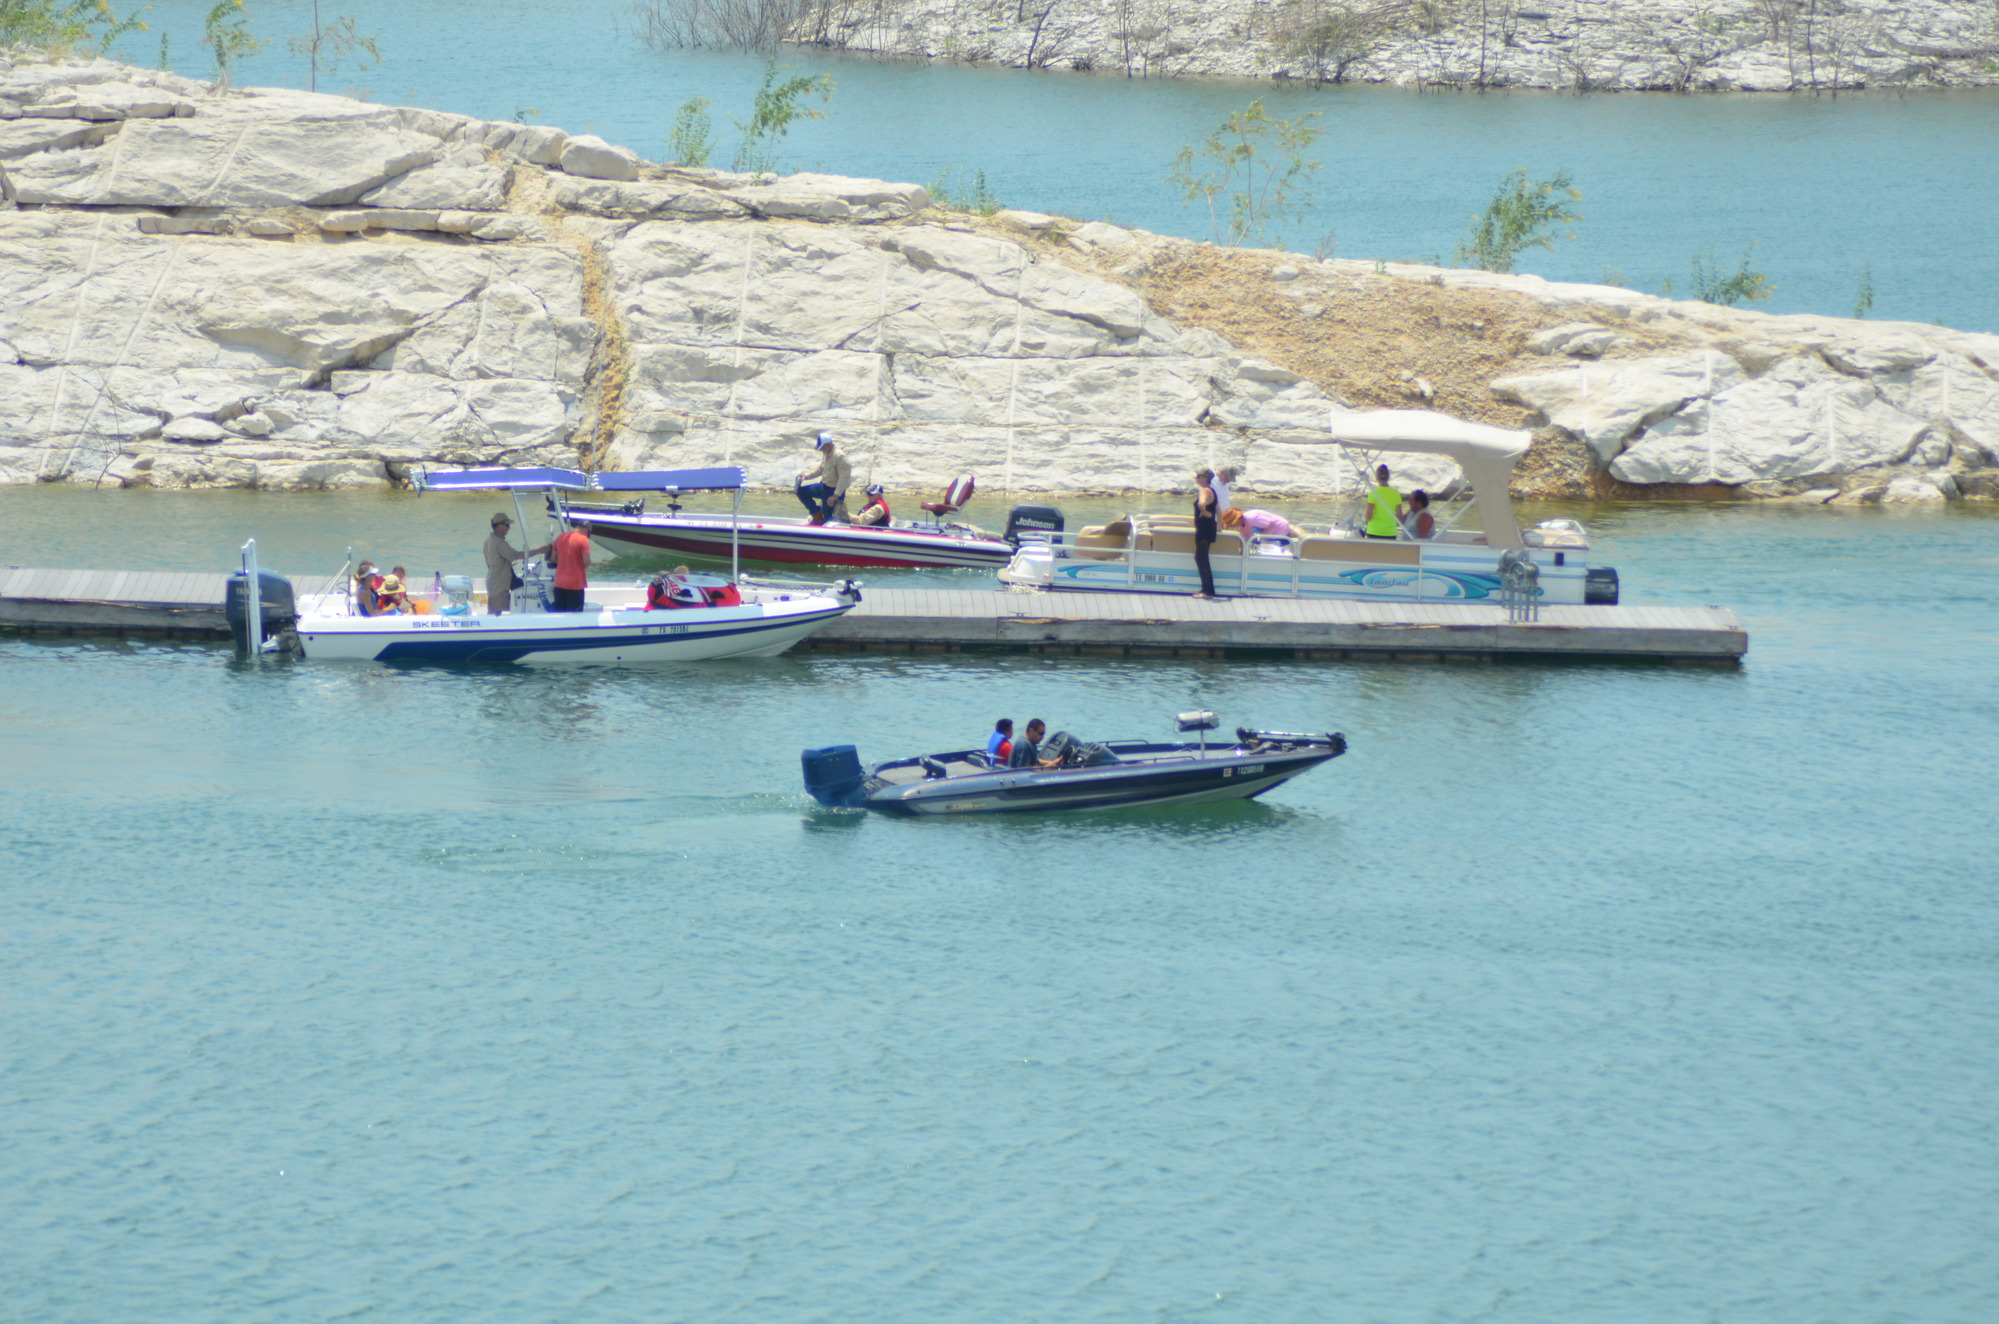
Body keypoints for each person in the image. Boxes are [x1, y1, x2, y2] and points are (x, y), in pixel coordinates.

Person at [482, 513, 550, 616]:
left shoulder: (488, 541)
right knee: (496, 614)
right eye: (507, 525)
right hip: (500, 584)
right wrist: (539, 550)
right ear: (499, 526)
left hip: (493, 581)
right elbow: (515, 556)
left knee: (494, 611)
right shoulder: (499, 543)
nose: (509, 528)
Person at [794, 432, 852, 526]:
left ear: (828, 444)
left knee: (828, 519)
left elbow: (844, 479)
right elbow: (821, 468)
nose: (821, 450)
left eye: (822, 447)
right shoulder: (827, 453)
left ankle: (826, 532)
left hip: (833, 491)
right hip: (824, 487)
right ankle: (817, 514)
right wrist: (807, 476)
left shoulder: (840, 457)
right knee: (801, 491)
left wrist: (835, 496)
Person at [1192, 467, 1220, 600]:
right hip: (1210, 527)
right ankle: (1208, 589)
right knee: (1202, 558)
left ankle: (1207, 591)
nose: (1195, 478)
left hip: (1204, 528)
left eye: (1198, 476)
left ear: (1205, 478)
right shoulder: (1212, 491)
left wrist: (1204, 512)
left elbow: (1202, 504)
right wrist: (1219, 525)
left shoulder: (1204, 490)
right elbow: (1218, 510)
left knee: (1201, 558)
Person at [551, 522, 591, 612]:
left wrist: (564, 563)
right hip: (575, 585)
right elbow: (586, 562)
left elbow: (553, 558)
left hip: (559, 583)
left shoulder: (560, 537)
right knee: (574, 618)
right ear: (586, 530)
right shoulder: (583, 540)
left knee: (559, 615)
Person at [1363, 464, 1401, 539]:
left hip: (1374, 531)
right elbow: (1399, 516)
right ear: (1388, 477)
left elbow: (1369, 516)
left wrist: (1366, 519)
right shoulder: (1396, 493)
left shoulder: (1373, 492)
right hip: (1390, 533)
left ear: (1376, 477)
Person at [1222, 507, 1301, 539]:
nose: (1232, 527)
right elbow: (1246, 540)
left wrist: (1261, 538)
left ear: (1238, 519)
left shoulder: (1252, 518)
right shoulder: (1242, 528)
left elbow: (1269, 524)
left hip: (1280, 527)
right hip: (1270, 535)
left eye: (1232, 525)